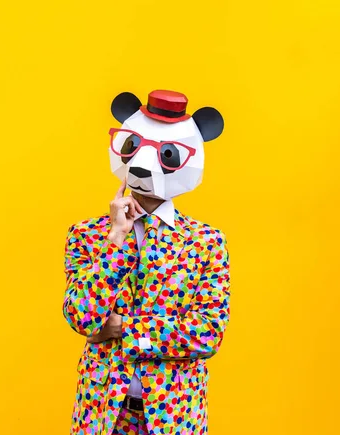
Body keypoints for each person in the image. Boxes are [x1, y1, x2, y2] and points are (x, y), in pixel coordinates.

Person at [63, 90, 231, 435]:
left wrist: (125, 328)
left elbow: (208, 333)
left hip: (175, 417)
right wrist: (115, 240)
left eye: (166, 154)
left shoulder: (206, 243)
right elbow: (82, 319)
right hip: (101, 414)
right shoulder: (87, 235)